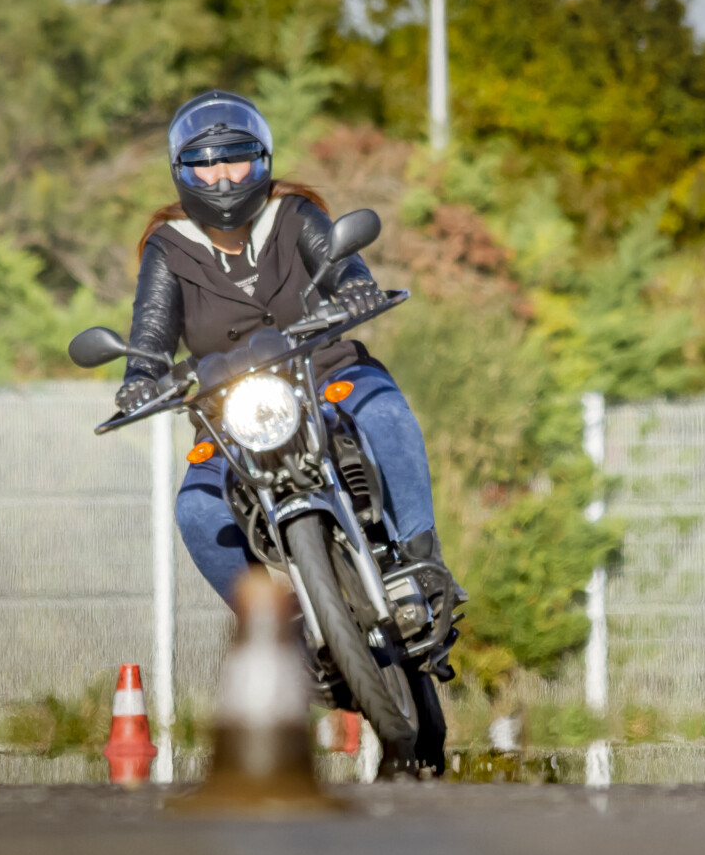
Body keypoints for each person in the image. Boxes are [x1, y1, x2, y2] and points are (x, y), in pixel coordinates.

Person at [118, 90, 459, 656]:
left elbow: (340, 259)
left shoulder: (293, 212)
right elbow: (151, 327)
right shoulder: (168, 246)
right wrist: (139, 377)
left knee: (383, 410)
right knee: (197, 507)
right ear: (183, 173)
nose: (223, 178)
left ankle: (419, 557)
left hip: (324, 375)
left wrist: (353, 289)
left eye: (236, 158)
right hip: (230, 414)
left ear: (262, 160)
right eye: (205, 164)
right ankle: (277, 634)